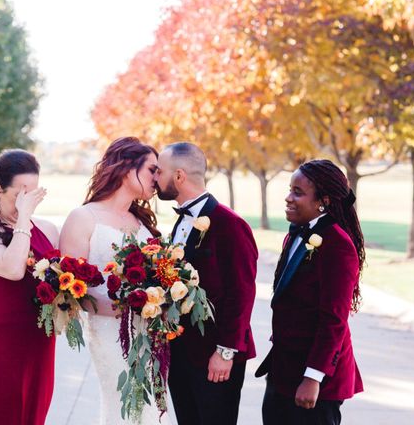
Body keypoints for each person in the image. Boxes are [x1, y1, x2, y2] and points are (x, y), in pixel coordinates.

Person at [58, 137, 169, 425]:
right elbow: (71, 292)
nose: (158, 179)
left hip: (150, 333)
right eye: (152, 170)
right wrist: (126, 308)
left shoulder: (142, 222)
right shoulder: (84, 217)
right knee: (125, 405)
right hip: (110, 332)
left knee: (154, 410)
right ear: (125, 168)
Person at [155, 142, 258, 425]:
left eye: (158, 171)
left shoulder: (230, 224)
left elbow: (243, 293)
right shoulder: (180, 223)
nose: (154, 178)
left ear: (178, 176)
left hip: (216, 356)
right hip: (182, 353)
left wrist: (225, 351)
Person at [256, 159, 364, 425]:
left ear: (323, 201)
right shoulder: (294, 235)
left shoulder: (337, 244)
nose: (288, 198)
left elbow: (334, 320)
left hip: (316, 380)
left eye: (298, 192)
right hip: (283, 369)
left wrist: (313, 377)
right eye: (290, 189)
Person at [0, 149, 60, 425]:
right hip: (1, 352)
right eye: (21, 193)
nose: (27, 201)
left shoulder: (49, 229)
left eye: (32, 193)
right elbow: (13, 269)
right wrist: (24, 219)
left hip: (40, 349)